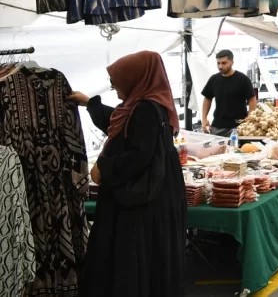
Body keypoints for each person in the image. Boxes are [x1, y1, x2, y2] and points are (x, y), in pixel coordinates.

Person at [68, 51, 186, 297]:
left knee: (131, 259)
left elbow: (138, 155)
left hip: (140, 204)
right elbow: (121, 123)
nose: (115, 89)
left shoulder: (145, 109)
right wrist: (90, 103)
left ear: (135, 79)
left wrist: (103, 167)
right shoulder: (148, 105)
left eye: (118, 83)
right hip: (152, 198)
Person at [201, 50, 256, 136]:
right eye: (218, 63)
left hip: (239, 127)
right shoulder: (214, 79)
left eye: (224, 63)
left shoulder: (242, 79)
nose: (220, 66)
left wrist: (250, 119)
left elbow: (252, 99)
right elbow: (207, 98)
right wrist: (204, 119)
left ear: (232, 62)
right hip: (218, 126)